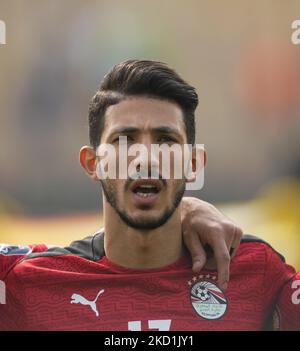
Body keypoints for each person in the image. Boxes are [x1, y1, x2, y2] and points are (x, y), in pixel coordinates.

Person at [0, 60, 299, 330]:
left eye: (166, 141)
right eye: (124, 140)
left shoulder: (258, 273)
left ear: (193, 164)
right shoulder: (25, 282)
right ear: (93, 163)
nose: (146, 158)